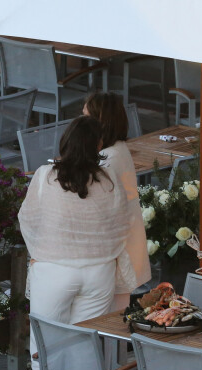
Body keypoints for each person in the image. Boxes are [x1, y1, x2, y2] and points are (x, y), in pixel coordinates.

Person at [18, 116, 134, 370]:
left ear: (65, 142)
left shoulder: (44, 177)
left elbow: (28, 220)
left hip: (53, 271)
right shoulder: (108, 180)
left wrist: (41, 252)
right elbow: (122, 225)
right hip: (98, 272)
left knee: (43, 348)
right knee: (83, 352)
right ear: (98, 146)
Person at [83, 92, 151, 311]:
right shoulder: (117, 149)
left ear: (100, 123)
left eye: (85, 117)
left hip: (119, 248)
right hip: (126, 243)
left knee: (112, 318)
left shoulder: (109, 158)